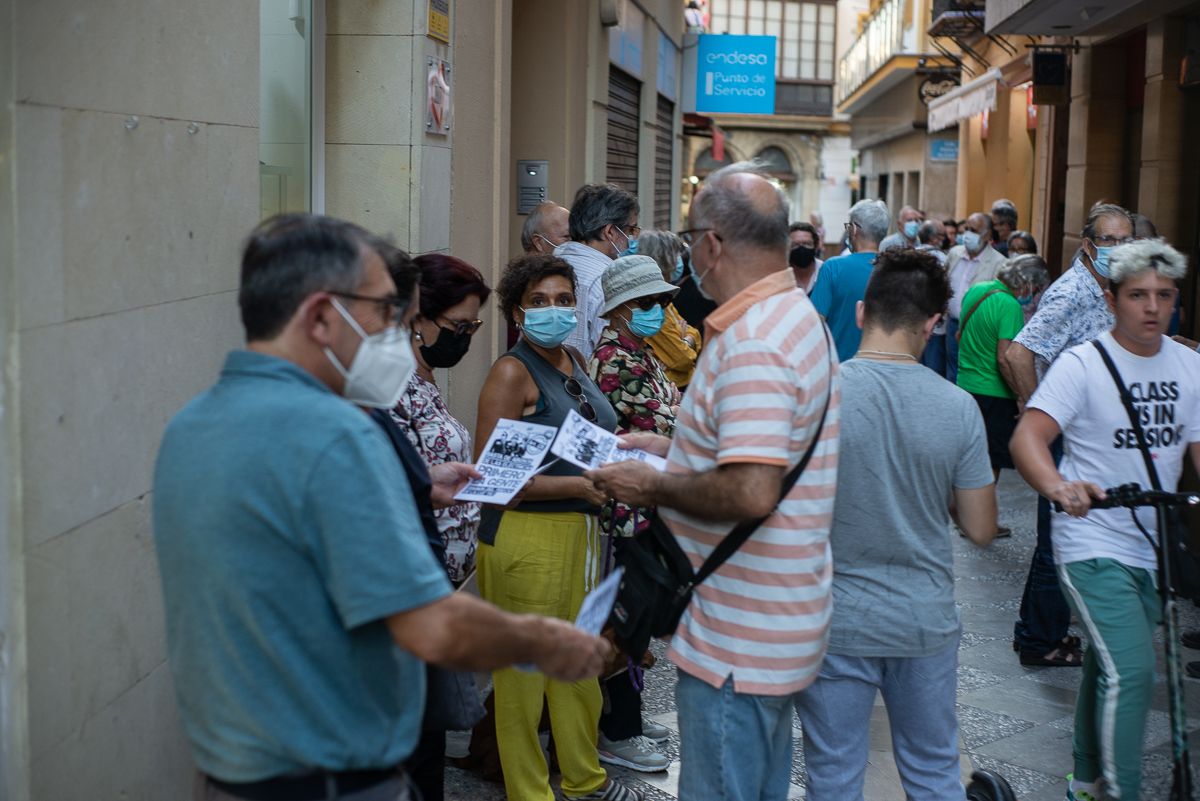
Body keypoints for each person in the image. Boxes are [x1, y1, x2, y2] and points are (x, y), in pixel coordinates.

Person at [152, 214, 610, 801]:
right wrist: (545, 642)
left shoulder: (194, 423)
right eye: (386, 312)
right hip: (330, 774)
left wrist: (415, 484)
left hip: (237, 764)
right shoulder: (335, 435)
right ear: (322, 316)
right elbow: (430, 624)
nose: (400, 333)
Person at [586, 162, 840, 801]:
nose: (687, 252)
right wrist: (675, 449)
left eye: (690, 235)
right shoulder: (792, 315)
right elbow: (760, 452)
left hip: (738, 638)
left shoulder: (755, 342)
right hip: (771, 621)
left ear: (713, 243)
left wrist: (653, 486)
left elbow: (752, 490)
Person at [795, 248, 997, 801]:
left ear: (861, 312)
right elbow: (981, 528)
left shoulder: (817, 395)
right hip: (923, 619)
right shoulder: (958, 407)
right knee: (934, 773)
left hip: (834, 620)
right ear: (932, 325)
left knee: (833, 777)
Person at [1010, 239, 1200, 801]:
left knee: (1108, 663)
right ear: (1112, 298)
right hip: (1091, 537)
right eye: (1138, 295)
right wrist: (1058, 486)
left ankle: (1086, 781)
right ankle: (1123, 792)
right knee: (1134, 671)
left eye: (1164, 295)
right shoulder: (1082, 364)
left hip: (1153, 547)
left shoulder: (1190, 367)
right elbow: (1028, 438)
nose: (1152, 307)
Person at [473, 253, 642, 801]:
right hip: (527, 537)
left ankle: (583, 779)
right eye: (539, 302)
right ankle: (529, 792)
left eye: (564, 299)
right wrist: (578, 488)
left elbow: (581, 441)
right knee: (524, 678)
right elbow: (492, 479)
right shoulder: (512, 372)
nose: (554, 310)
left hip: (581, 534)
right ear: (517, 312)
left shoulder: (573, 359)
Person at [1001, 202, 1136, 669]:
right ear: (1089, 245)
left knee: (1062, 533)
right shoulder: (1074, 292)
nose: (1118, 248)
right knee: (1056, 539)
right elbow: (1018, 354)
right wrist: (1037, 412)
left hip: (1090, 436)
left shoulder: (1108, 290)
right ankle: (1041, 640)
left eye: (1126, 240)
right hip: (1066, 437)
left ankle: (1036, 631)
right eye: (1109, 240)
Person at [587, 254, 682, 774]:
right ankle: (617, 730)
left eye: (661, 301)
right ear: (622, 308)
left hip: (646, 503)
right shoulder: (614, 358)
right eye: (648, 302)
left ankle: (629, 717)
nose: (657, 311)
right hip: (625, 510)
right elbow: (664, 424)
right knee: (627, 618)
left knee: (638, 617)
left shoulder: (640, 351)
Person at [956, 254, 1051, 538]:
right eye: (1035, 288)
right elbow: (1006, 357)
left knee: (971, 456)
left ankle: (964, 514)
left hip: (966, 384)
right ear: (1026, 283)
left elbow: (960, 334)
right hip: (993, 392)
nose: (1033, 294)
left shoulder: (976, 290)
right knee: (991, 462)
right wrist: (1021, 395)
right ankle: (977, 520)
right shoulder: (1009, 305)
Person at [556, 184, 641, 357]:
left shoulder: (556, 259)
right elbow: (611, 354)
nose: (633, 237)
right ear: (610, 232)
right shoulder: (606, 280)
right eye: (631, 230)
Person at [811, 198, 888, 362]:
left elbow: (816, 324)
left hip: (839, 364)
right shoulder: (896, 269)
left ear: (854, 229)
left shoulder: (833, 268)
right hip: (884, 365)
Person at [635, 230, 703, 389]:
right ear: (663, 257)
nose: (679, 259)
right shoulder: (653, 304)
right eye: (676, 253)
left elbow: (695, 333)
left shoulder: (665, 297)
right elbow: (684, 360)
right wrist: (687, 337)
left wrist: (686, 339)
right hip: (672, 387)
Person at [944, 212, 1006, 382]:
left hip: (976, 330)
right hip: (952, 324)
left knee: (970, 376)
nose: (968, 234)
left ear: (986, 235)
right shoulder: (954, 254)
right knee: (951, 373)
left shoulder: (999, 263)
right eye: (967, 229)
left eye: (974, 230)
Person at [915, 220, 949, 374]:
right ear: (934, 238)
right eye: (942, 235)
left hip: (912, 324)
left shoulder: (909, 255)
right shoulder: (943, 259)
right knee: (933, 371)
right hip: (936, 327)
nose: (945, 239)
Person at [789, 220, 824, 292]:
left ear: (815, 246)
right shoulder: (781, 275)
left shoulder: (825, 271)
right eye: (795, 244)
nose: (801, 248)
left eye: (807, 244)